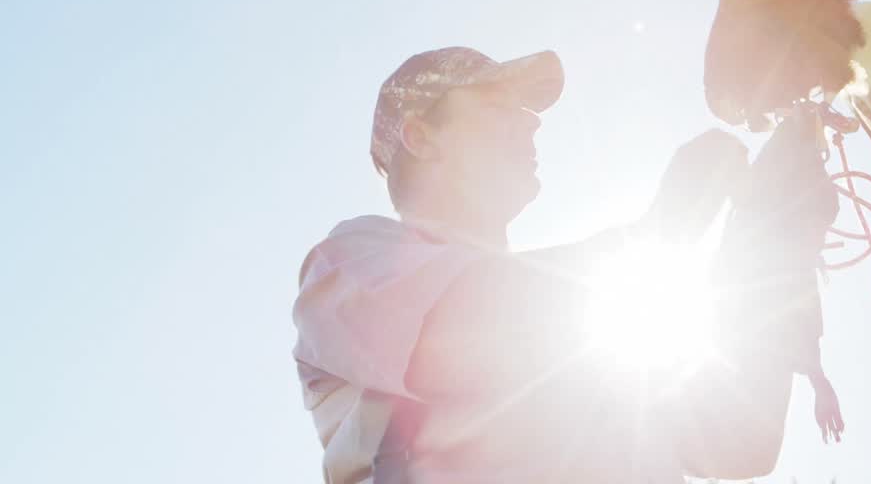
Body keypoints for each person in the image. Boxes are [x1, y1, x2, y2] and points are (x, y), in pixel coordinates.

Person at [291, 46, 837, 483]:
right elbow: (469, 332)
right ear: (420, 136)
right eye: (499, 105)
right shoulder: (347, 263)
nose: (531, 126)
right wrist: (662, 229)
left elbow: (737, 441)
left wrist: (771, 242)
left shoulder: (571, 328)